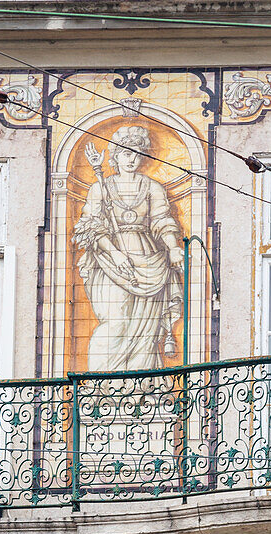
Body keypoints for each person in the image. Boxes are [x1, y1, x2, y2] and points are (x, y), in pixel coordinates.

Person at [73, 125, 185, 372]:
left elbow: (162, 220)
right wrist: (115, 253)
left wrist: (174, 247)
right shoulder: (100, 187)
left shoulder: (153, 187)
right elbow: (90, 226)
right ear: (115, 156)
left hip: (149, 260)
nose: (132, 159)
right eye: (126, 153)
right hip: (111, 262)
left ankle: (142, 389)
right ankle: (99, 386)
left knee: (146, 329)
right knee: (116, 323)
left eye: (136, 153)